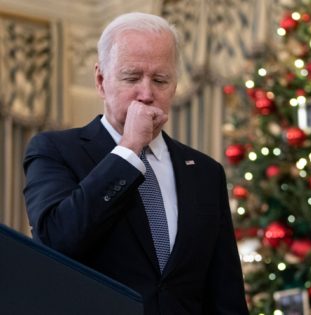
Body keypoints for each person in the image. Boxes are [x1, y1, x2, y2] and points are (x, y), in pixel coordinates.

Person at [23, 12, 248, 314]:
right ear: (101, 81)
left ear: (175, 85)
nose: (146, 94)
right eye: (131, 77)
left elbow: (226, 293)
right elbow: (56, 242)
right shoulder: (54, 150)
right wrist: (129, 149)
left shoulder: (206, 172)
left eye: (160, 80)